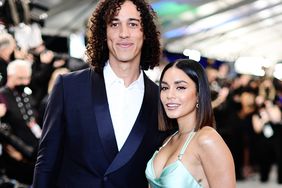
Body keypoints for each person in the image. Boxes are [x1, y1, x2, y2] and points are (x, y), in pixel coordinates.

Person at [32, 0, 166, 187]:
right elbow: (46, 163)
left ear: (146, 34)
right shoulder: (68, 87)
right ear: (104, 33)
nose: (124, 33)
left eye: (133, 24)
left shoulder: (160, 99)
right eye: (114, 24)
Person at [145, 59, 236, 188]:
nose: (169, 95)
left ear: (199, 94)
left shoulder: (207, 139)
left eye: (180, 87)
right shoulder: (168, 140)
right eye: (165, 87)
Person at [0, 59, 40, 185]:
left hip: (35, 150)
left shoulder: (26, 93)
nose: (25, 82)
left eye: (27, 78)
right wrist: (12, 150)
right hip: (17, 157)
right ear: (11, 76)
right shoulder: (2, 95)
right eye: (21, 78)